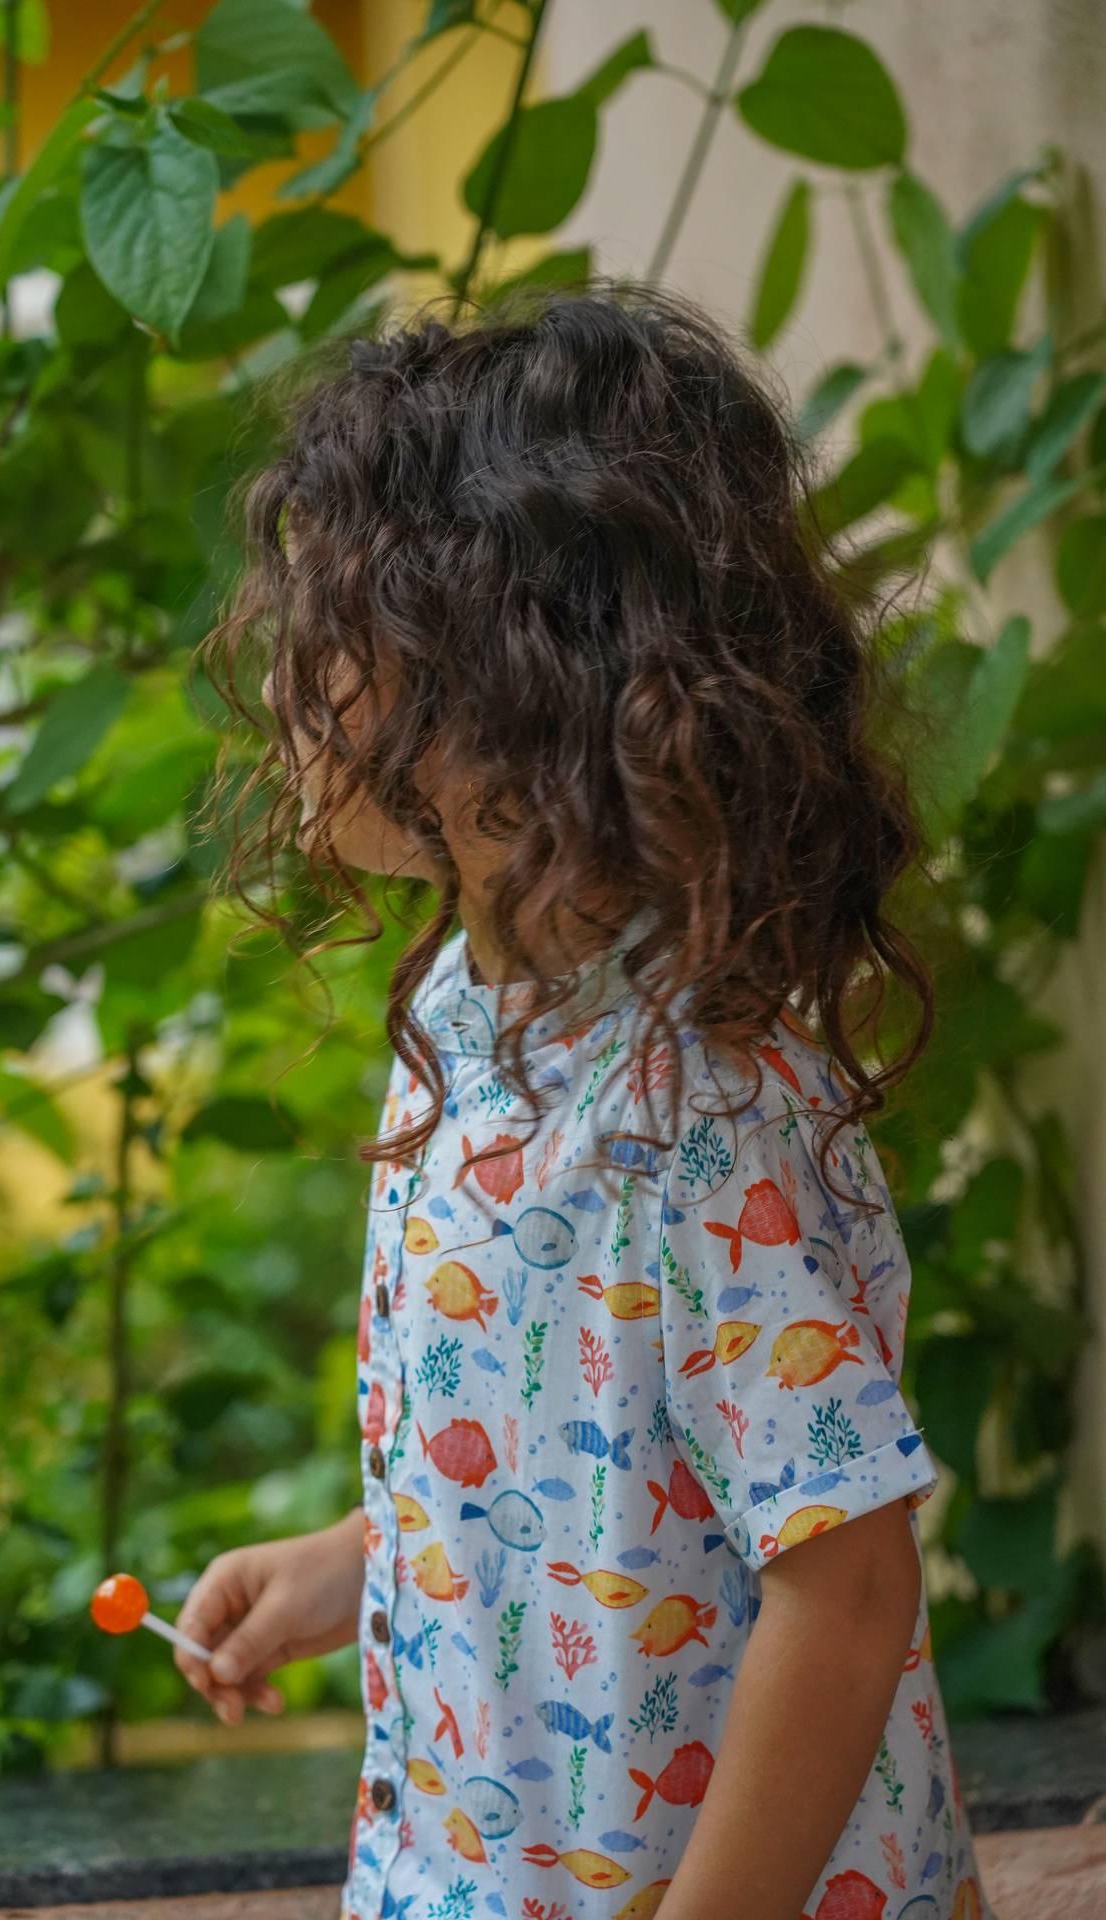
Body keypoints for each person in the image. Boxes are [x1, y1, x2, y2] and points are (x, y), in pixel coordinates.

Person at [175, 285, 992, 1920]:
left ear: (509, 692)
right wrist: (367, 1557)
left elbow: (845, 1585)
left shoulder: (696, 1114)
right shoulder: (484, 1021)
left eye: (334, 633)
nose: (285, 679)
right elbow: (589, 1449)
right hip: (488, 1867)